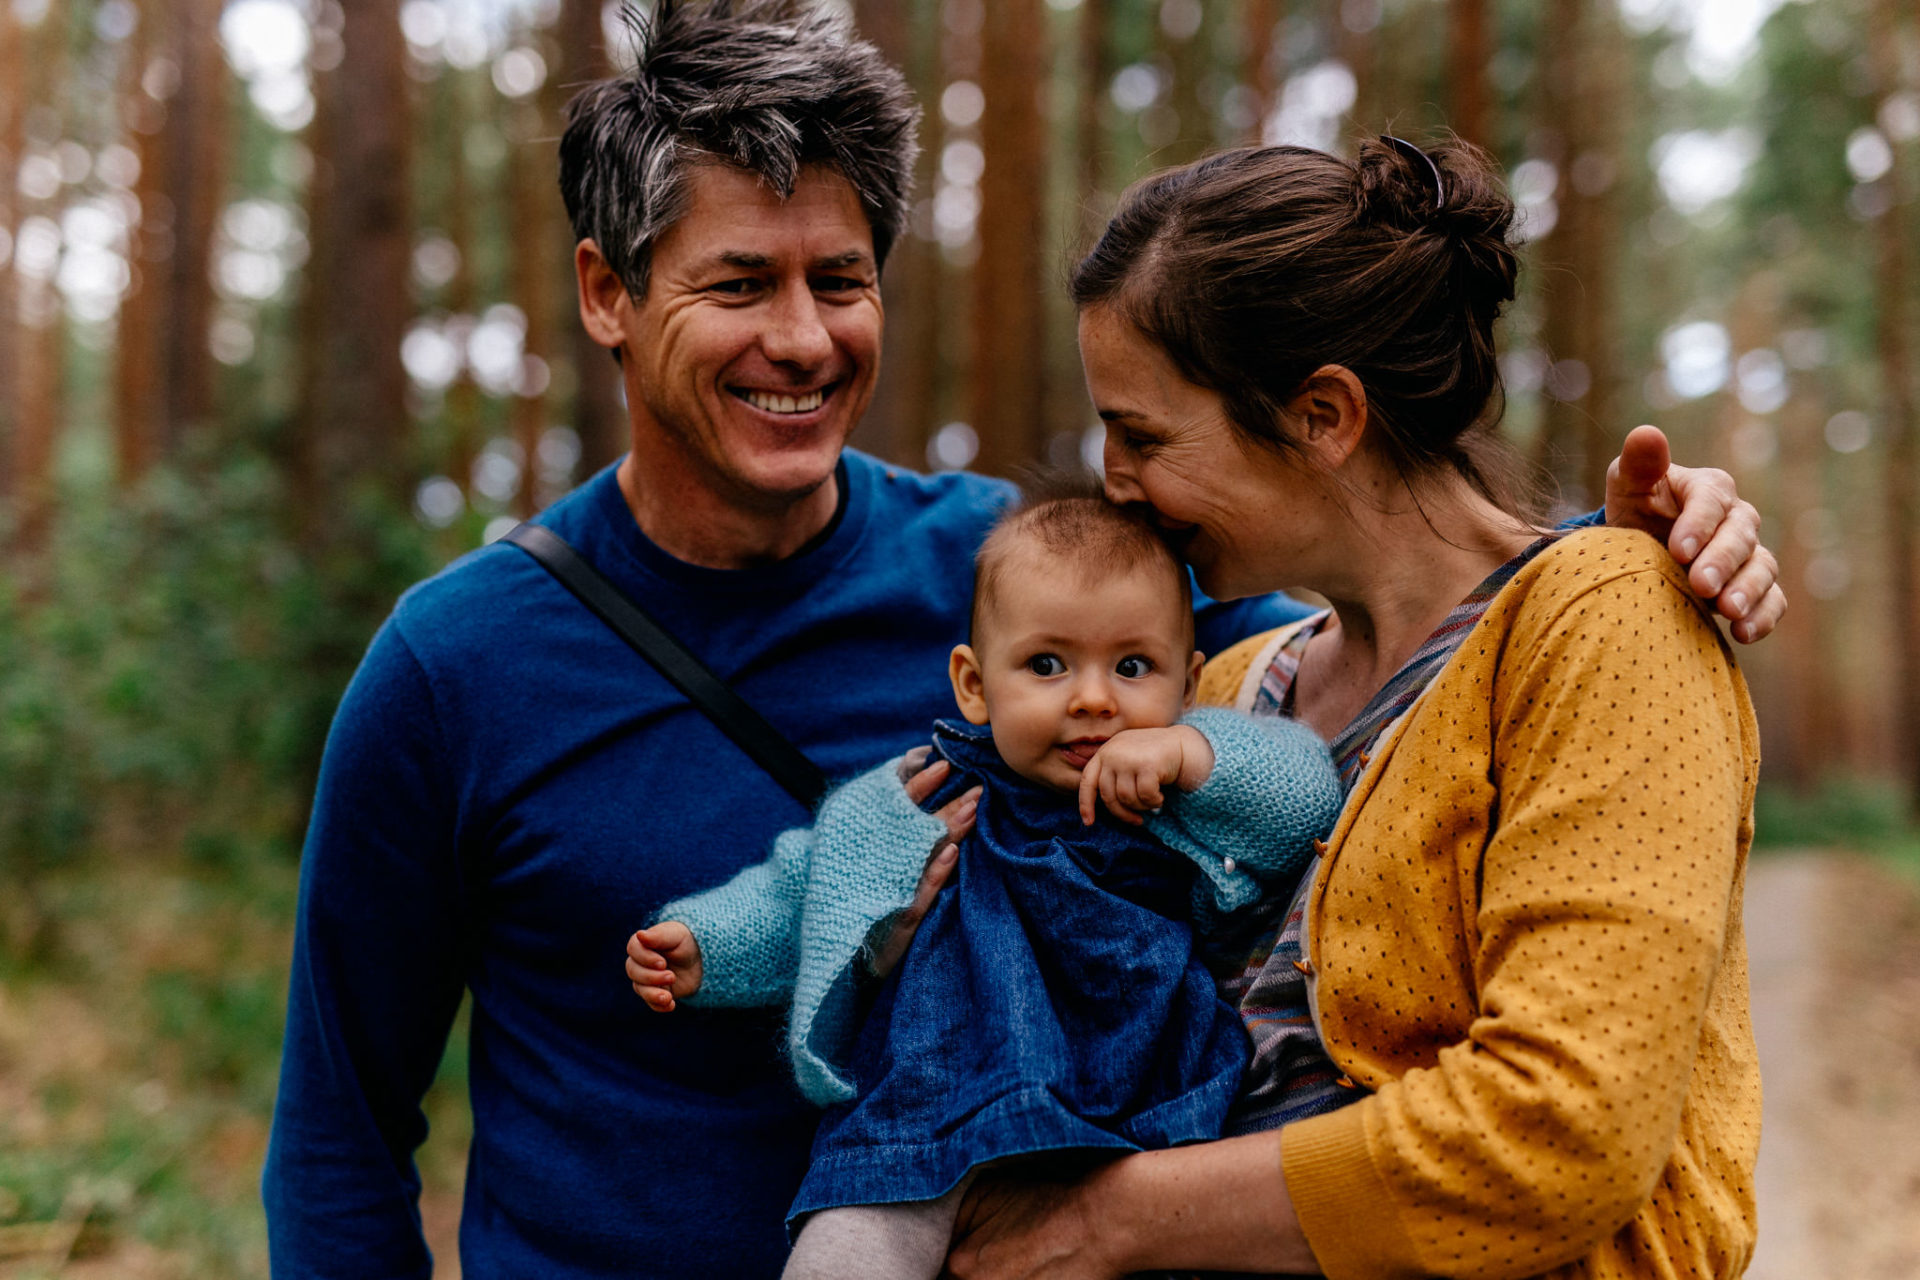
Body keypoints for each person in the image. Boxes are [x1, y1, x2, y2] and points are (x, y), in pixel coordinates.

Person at [259, 2, 1781, 1276]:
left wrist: (1671, 542)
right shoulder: (453, 667)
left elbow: (1441, 624)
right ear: (608, 291)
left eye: (840, 280)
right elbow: (341, 1127)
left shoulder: (1057, 586)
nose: (802, 338)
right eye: (738, 284)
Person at [942, 139, 1763, 1280]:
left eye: (1143, 435)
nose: (1114, 481)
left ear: (1325, 413)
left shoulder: (1601, 619)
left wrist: (1107, 1219)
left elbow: (1561, 1135)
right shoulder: (1230, 685)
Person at [626, 492, 1344, 1280]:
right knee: (842, 1257)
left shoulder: (1177, 793)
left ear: (1188, 681)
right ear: (973, 684)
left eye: (1133, 667)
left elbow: (1304, 799)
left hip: (1136, 1129)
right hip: (923, 1115)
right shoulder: (927, 793)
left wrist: (1193, 755)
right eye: (1047, 665)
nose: (1094, 698)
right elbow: (804, 884)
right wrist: (707, 941)